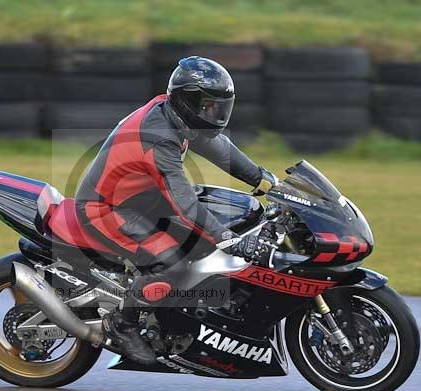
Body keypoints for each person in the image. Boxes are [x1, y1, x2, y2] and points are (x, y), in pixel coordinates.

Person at [74, 56, 279, 365]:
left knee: (216, 231)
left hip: (140, 199)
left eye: (221, 106)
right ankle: (123, 325)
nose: (216, 113)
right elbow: (184, 202)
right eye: (209, 105)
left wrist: (265, 181)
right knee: (172, 263)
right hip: (104, 208)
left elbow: (221, 149)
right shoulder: (160, 137)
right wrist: (226, 238)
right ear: (187, 101)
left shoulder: (178, 116)